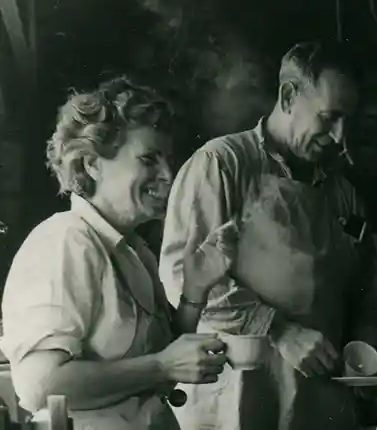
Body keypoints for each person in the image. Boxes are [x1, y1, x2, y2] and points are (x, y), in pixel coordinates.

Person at [159, 41, 377, 430]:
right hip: (238, 394)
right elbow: (182, 275)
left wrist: (364, 347)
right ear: (287, 96)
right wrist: (279, 328)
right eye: (329, 118)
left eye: (348, 121)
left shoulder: (342, 193)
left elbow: (365, 288)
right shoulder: (222, 166)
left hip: (319, 401)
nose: (340, 137)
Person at [0, 76, 239, 430]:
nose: (168, 175)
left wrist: (194, 292)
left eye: (167, 160)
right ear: (93, 163)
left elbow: (161, 373)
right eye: (149, 159)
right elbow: (41, 386)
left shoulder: (133, 250)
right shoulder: (65, 241)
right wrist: (161, 365)